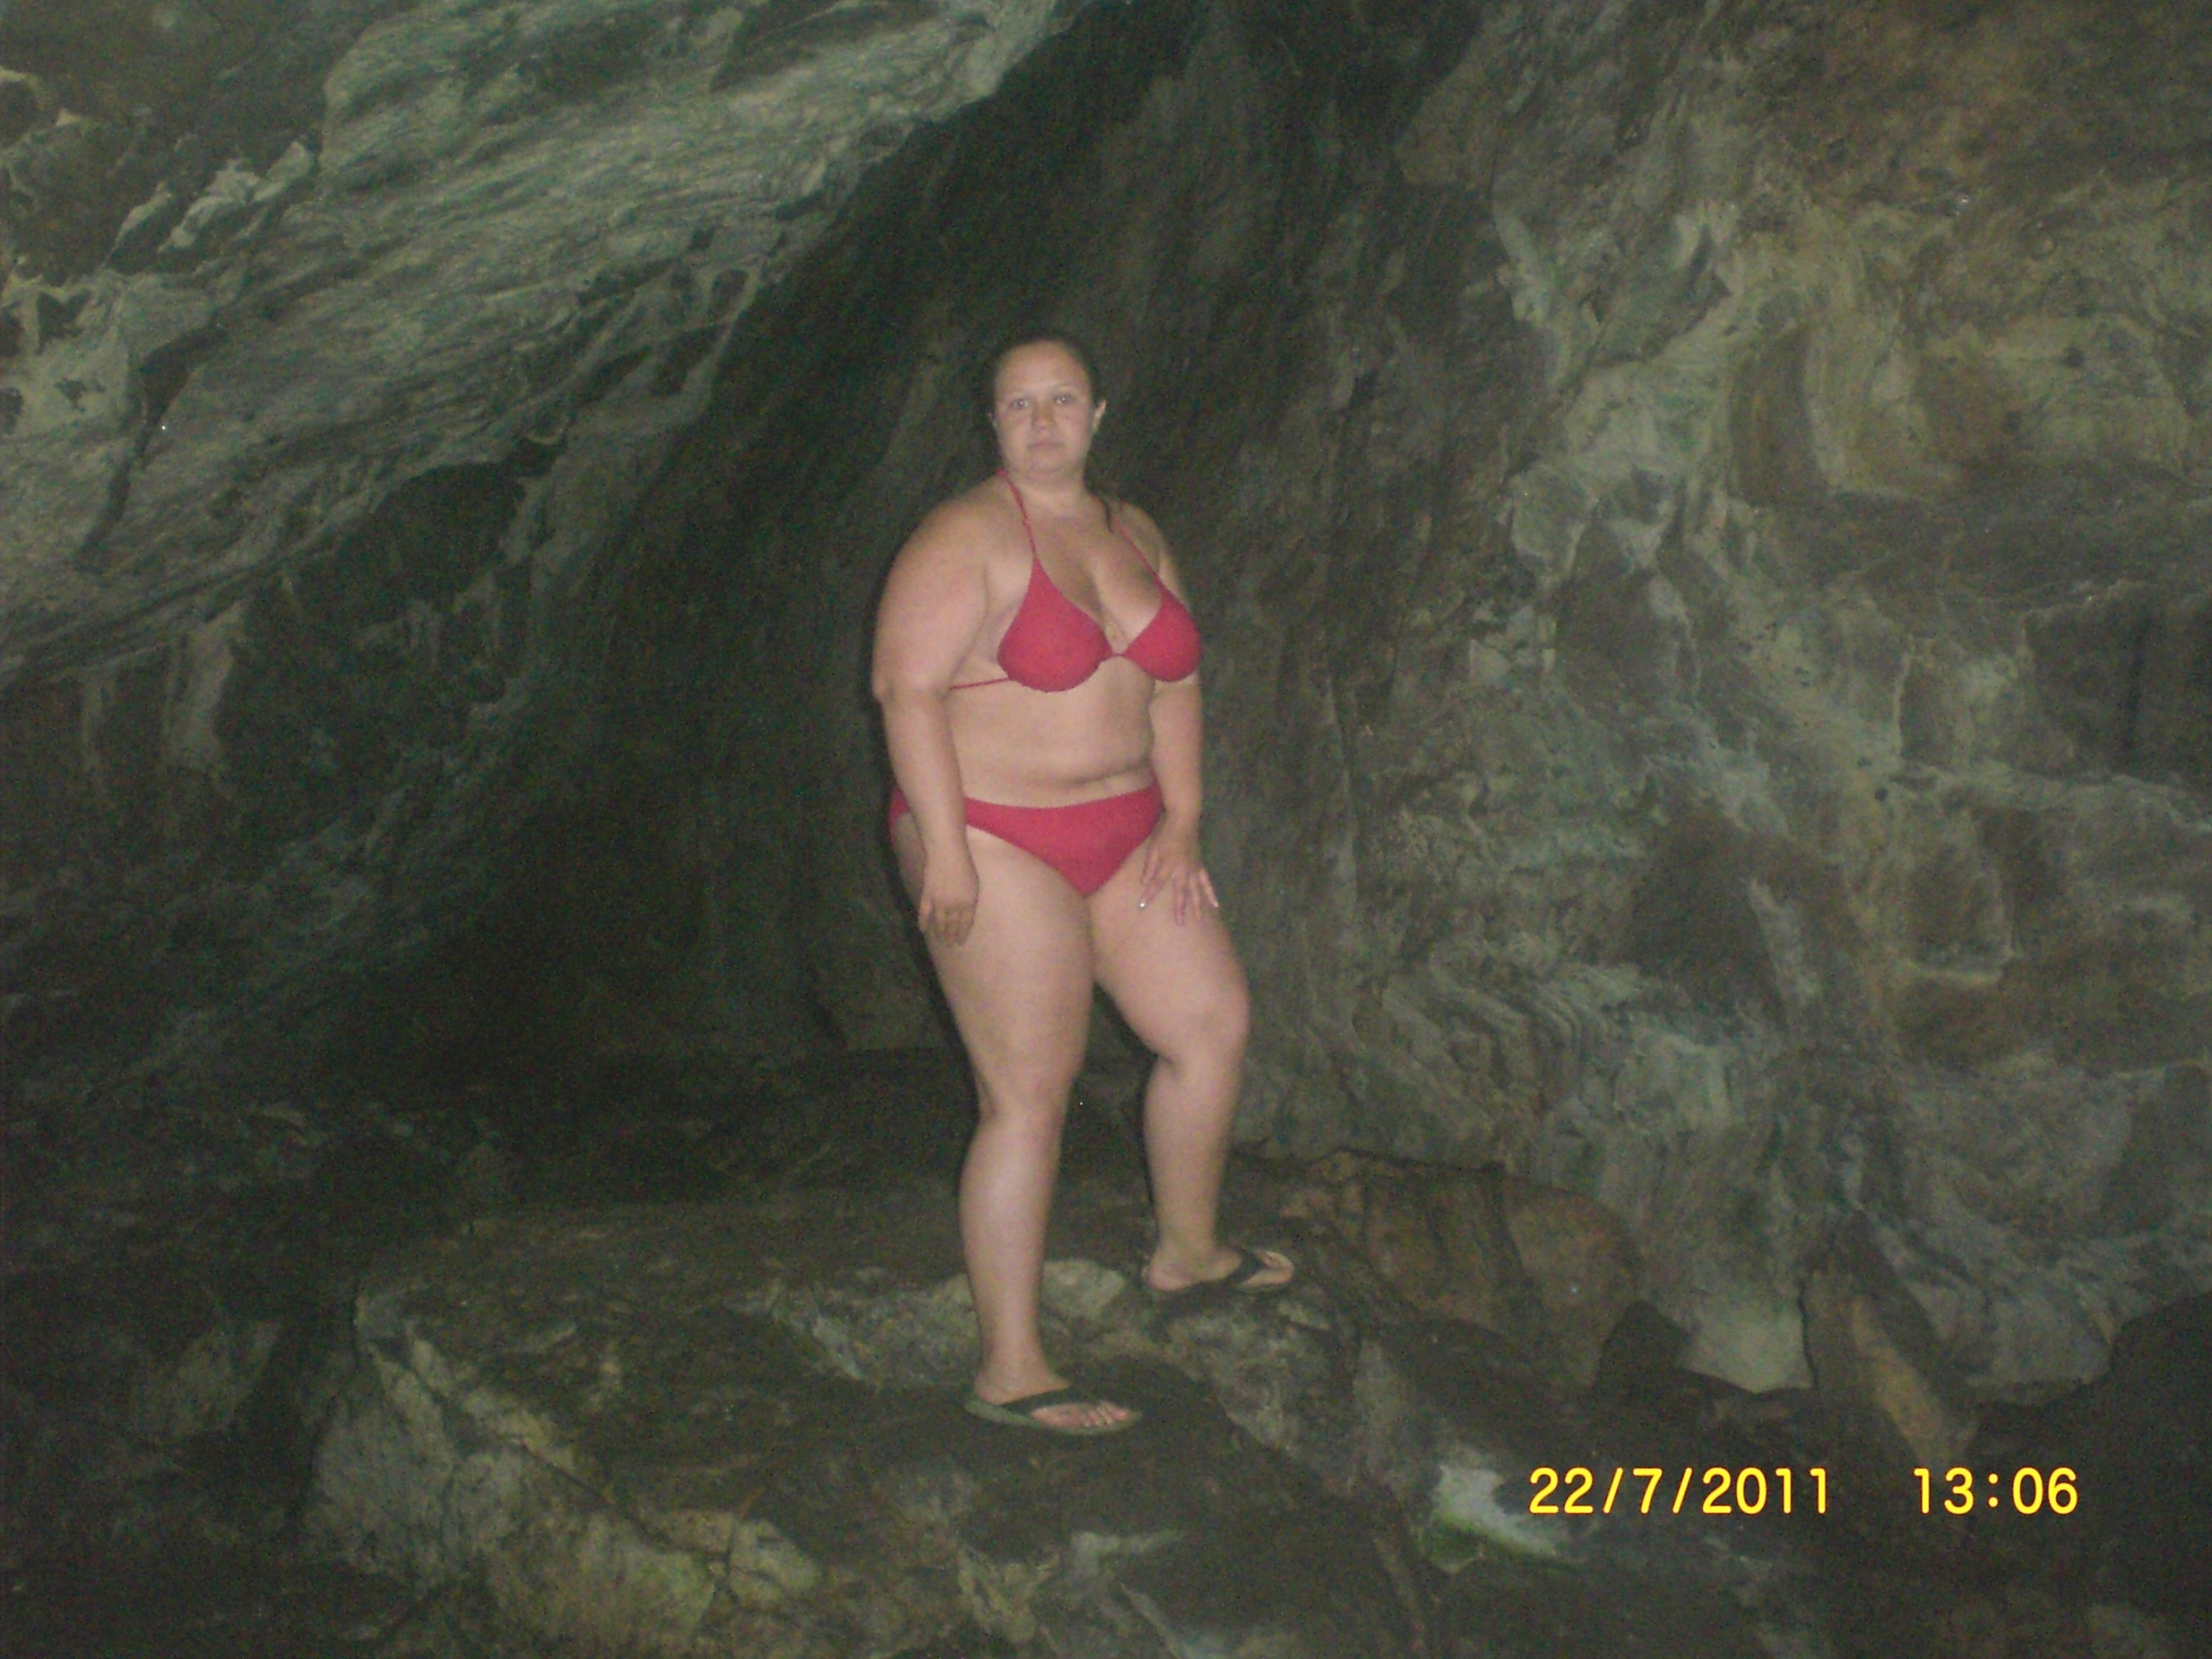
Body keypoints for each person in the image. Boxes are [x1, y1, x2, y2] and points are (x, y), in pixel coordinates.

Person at [871, 331, 1294, 1437]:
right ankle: (1010, 1369)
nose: (1042, 422)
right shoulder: (962, 537)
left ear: (1098, 414)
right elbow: (905, 693)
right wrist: (947, 852)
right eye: (1018, 405)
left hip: (1128, 829)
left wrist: (1185, 818)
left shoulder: (1134, 530)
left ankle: (1188, 1250)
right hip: (994, 834)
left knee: (1210, 1025)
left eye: (1062, 400)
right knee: (1029, 1092)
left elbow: (1176, 680)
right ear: (993, 423)